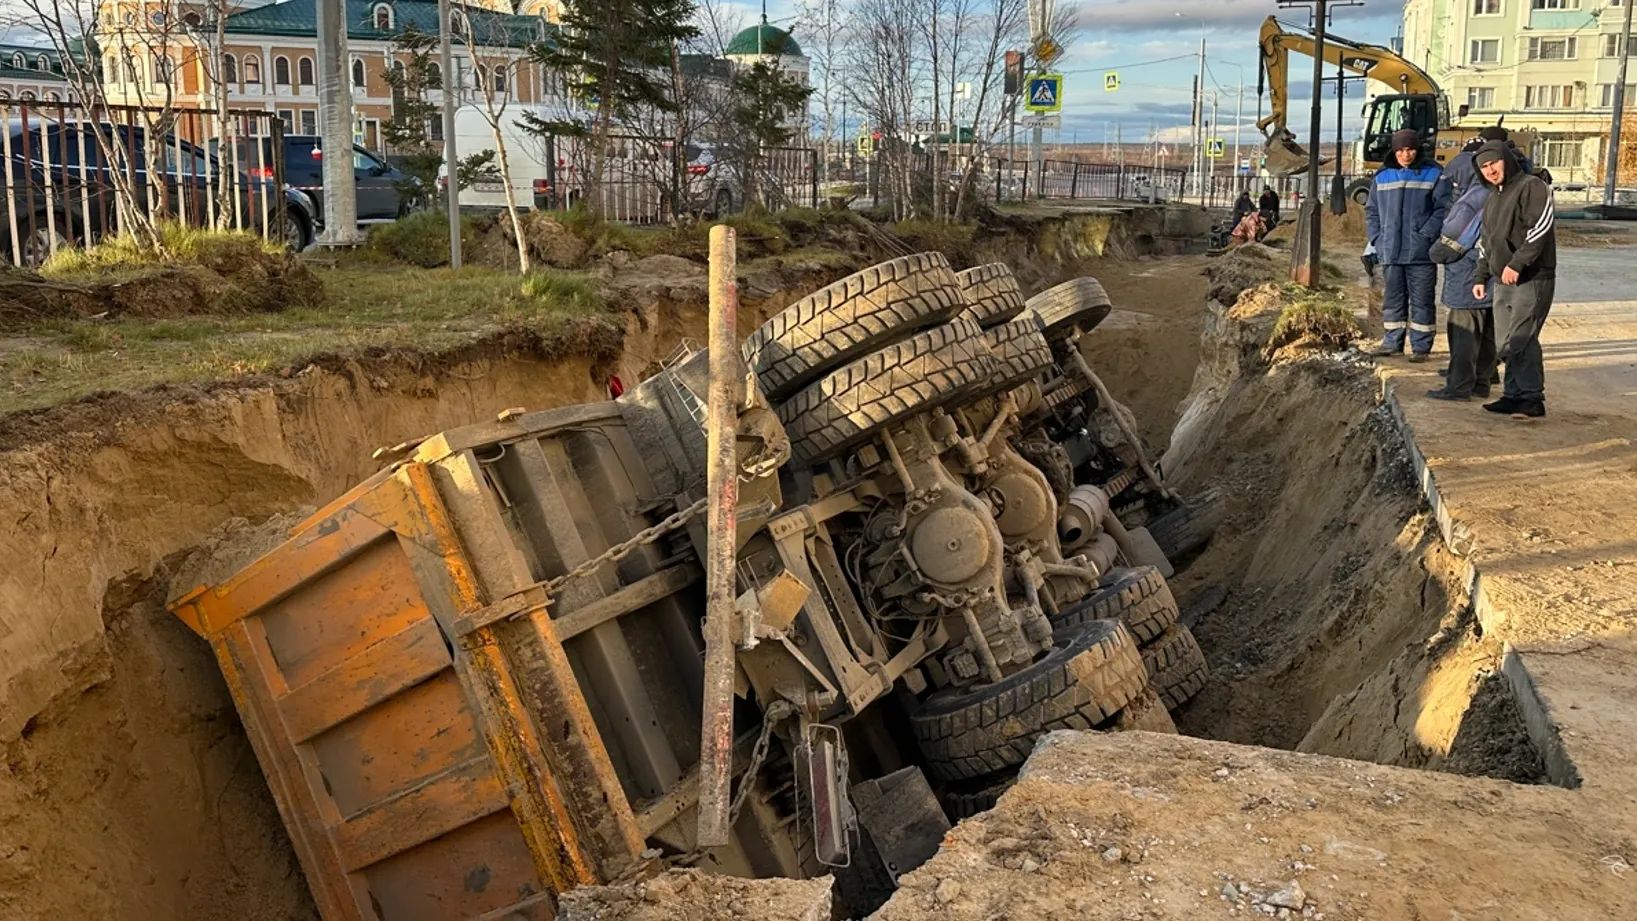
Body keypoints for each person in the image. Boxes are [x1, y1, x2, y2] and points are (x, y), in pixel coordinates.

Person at [1471, 140, 1556, 419]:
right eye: (1484, 167)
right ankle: (1512, 395)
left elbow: (1539, 229)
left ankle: (1532, 399)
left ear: (1506, 160)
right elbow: (1486, 242)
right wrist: (1481, 275)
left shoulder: (1531, 187)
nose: (1490, 170)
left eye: (1494, 163)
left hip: (1531, 277)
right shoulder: (1493, 197)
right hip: (1501, 279)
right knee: (1504, 342)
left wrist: (1517, 263)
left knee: (1523, 338)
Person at [1365, 128, 1451, 362]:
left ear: (1417, 149)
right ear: (1394, 151)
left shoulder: (1433, 174)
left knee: (1422, 300)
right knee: (1392, 299)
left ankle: (1421, 347)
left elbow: (1443, 209)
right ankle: (1392, 342)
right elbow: (1372, 211)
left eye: (1410, 149)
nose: (1406, 154)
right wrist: (1378, 239)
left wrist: (1426, 235)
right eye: (1401, 150)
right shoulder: (1382, 177)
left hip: (1421, 253)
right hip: (1390, 251)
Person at [1425, 138, 1496, 401]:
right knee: (1488, 332)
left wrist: (1434, 254)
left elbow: (1451, 241)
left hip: (1467, 276)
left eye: (1454, 180)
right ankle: (1481, 382)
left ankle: (1459, 386)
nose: (1452, 185)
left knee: (1464, 332)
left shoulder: (1472, 199)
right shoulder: (1500, 193)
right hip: (1493, 274)